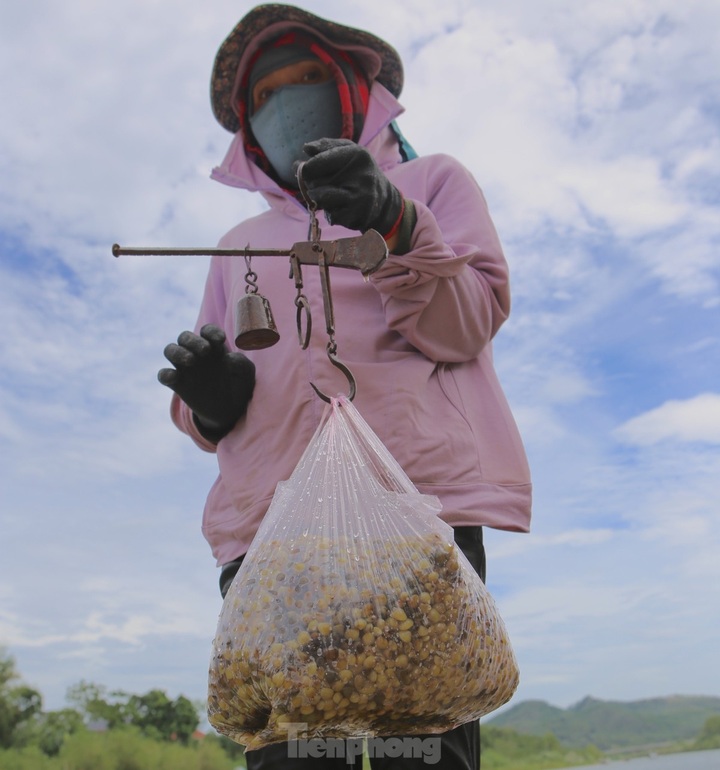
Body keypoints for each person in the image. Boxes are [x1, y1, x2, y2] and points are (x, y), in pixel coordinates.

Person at [159, 5, 532, 768]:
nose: (285, 102)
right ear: (246, 133)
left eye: (306, 79)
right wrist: (212, 397)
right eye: (263, 96)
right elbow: (207, 422)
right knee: (294, 751)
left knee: (421, 747)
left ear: (354, 89)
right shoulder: (236, 247)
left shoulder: (433, 182)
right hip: (275, 532)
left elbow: (464, 327)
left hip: (414, 513)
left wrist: (396, 222)